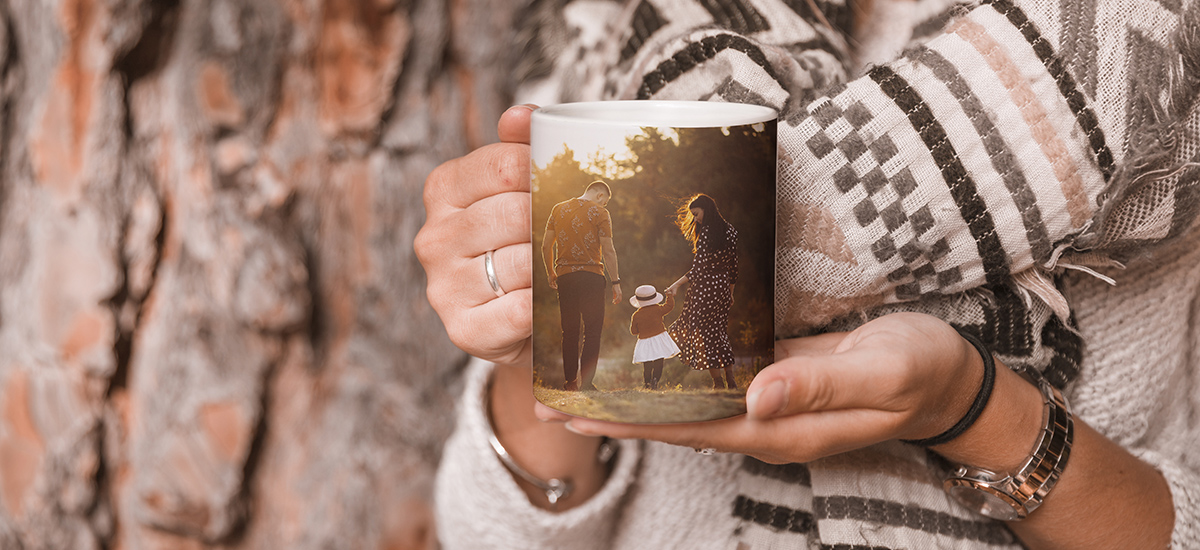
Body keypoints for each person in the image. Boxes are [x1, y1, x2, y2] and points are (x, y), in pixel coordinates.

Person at [415, 0, 1199, 548]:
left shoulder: (1165, 71)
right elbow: (491, 529)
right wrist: (529, 331)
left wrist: (971, 409)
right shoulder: (623, 28)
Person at [541, 180, 623, 391]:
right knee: (592, 331)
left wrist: (551, 272)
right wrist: (616, 282)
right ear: (600, 196)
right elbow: (609, 250)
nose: (604, 205)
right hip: (591, 277)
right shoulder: (600, 213)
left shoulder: (558, 209)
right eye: (604, 202)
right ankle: (587, 384)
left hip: (565, 278)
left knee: (569, 331)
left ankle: (570, 383)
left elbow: (545, 245)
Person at [664, 194, 740, 390]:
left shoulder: (707, 232)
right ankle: (730, 378)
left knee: (704, 334)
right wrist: (730, 292)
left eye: (696, 214)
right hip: (722, 287)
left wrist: (677, 284)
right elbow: (734, 267)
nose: (695, 219)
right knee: (719, 332)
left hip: (704, 288)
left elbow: (698, 270)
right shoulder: (730, 230)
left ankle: (718, 383)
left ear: (707, 209)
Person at [627, 284, 680, 390]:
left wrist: (642, 329)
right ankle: (655, 380)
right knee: (658, 362)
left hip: (644, 342)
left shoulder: (636, 315)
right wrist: (669, 295)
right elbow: (669, 306)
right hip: (659, 339)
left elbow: (633, 332)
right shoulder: (658, 309)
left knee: (647, 364)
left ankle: (647, 383)